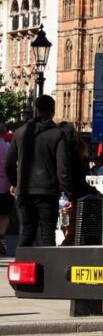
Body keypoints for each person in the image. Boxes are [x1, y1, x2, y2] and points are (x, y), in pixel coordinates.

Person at [4, 95, 70, 247]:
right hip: (48, 191)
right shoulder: (58, 134)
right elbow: (63, 168)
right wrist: (67, 190)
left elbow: (8, 163)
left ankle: (21, 267)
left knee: (27, 232)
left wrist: (16, 182)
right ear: (52, 111)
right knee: (47, 233)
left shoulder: (20, 132)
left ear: (36, 109)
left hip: (25, 191)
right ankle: (48, 268)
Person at [57, 122, 103, 246]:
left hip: (63, 193)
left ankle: (67, 243)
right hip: (77, 194)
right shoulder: (79, 152)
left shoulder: (59, 151)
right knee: (72, 229)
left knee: (67, 226)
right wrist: (96, 193)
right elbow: (81, 178)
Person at [0, 123, 12, 255]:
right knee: (5, 215)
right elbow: (11, 166)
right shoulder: (8, 147)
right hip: (4, 186)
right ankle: (1, 235)